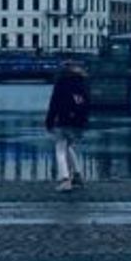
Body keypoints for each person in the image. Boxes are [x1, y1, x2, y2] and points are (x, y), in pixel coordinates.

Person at [45, 57, 91, 190]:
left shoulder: (61, 83)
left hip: (63, 120)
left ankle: (65, 179)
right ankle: (77, 175)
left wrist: (49, 121)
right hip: (78, 122)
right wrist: (83, 121)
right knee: (69, 146)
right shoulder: (83, 83)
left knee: (60, 149)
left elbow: (55, 104)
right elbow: (86, 103)